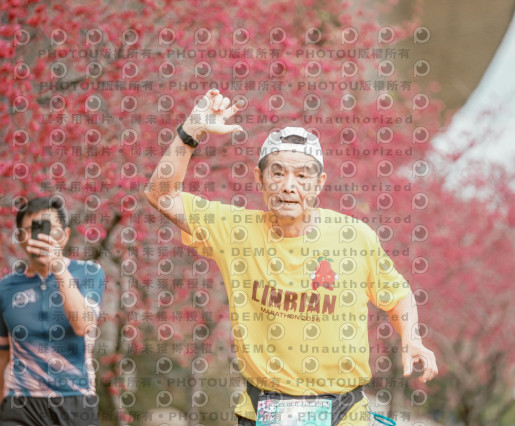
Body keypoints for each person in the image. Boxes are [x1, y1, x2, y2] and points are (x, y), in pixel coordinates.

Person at [144, 89, 438, 425]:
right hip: (264, 409)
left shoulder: (354, 237)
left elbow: (397, 294)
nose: (288, 185)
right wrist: (192, 130)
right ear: (259, 178)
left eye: (302, 176)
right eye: (278, 172)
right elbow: (161, 195)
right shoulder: (235, 231)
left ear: (319, 183)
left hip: (344, 412)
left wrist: (412, 339)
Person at [0, 196, 105, 426]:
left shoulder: (89, 272)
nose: (41, 236)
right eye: (31, 230)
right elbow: (2, 355)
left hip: (75, 400)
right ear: (20, 237)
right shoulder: (5, 287)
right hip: (20, 403)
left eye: (49, 229)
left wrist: (57, 267)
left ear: (65, 236)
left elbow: (83, 325)